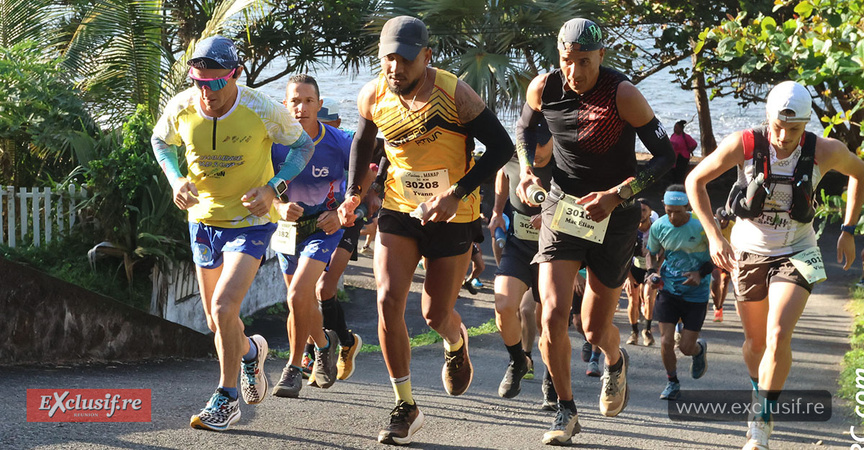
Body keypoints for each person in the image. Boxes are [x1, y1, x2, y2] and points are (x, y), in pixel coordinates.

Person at [336, 16, 515, 446]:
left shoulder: (455, 94)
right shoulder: (374, 93)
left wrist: (456, 194)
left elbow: (503, 148)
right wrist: (352, 195)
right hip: (400, 208)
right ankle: (405, 405)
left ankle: (456, 342)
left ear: (426, 57)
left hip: (454, 213)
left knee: (435, 313)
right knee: (387, 300)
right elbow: (364, 143)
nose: (395, 67)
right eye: (388, 59)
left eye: (405, 59)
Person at [515, 18, 675, 445]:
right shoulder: (544, 87)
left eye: (584, 61)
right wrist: (529, 173)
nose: (575, 71)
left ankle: (614, 358)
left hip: (614, 216)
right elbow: (523, 130)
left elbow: (665, 158)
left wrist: (618, 195)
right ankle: (565, 411)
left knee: (593, 328)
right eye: (568, 61)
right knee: (550, 312)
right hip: (563, 206)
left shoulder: (623, 94)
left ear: (602, 57)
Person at [685, 80, 864, 450]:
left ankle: (761, 423)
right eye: (778, 126)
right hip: (747, 252)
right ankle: (759, 391)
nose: (783, 136)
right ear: (767, 118)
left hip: (800, 250)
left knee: (779, 333)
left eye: (794, 129)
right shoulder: (745, 144)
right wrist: (714, 237)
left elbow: (859, 173)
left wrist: (847, 229)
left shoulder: (824, 150)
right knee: (755, 342)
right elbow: (694, 180)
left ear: (806, 124)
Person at [150, 36, 315, 431]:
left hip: (250, 224)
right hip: (203, 223)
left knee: (225, 307)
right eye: (197, 82)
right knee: (215, 322)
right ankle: (251, 352)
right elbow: (160, 140)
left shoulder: (261, 108)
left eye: (214, 83)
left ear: (234, 75)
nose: (205, 92)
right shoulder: (182, 106)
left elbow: (303, 146)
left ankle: (225, 399)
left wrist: (272, 188)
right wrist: (176, 179)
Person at [269, 74, 366, 397]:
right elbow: (260, 188)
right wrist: (279, 208)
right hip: (286, 230)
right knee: (296, 303)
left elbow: (373, 165)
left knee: (299, 294)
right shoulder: (271, 144)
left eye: (308, 101)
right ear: (285, 105)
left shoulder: (340, 141)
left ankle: (293, 369)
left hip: (323, 229)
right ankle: (324, 345)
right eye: (294, 101)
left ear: (319, 105)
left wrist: (343, 211)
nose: (301, 108)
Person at [488, 118, 553, 399]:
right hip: (519, 244)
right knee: (504, 304)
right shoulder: (514, 157)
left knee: (550, 321)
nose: (535, 151)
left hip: (555, 250)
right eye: (529, 145)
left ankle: (553, 380)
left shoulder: (566, 161)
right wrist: (496, 210)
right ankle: (518, 361)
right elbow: (503, 175)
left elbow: (582, 202)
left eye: (542, 144)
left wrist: (550, 217)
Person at [645, 185, 711, 401]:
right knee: (665, 341)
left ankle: (698, 351)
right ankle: (672, 382)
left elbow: (719, 254)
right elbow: (651, 253)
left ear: (688, 207)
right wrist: (650, 273)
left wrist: (700, 273)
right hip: (669, 290)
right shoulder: (659, 226)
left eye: (678, 211)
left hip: (696, 294)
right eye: (669, 211)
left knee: (686, 347)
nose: (672, 216)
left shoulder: (702, 225)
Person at [625, 198, 658, 346]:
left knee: (648, 297)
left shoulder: (656, 229)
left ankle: (647, 330)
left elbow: (663, 251)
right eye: (638, 210)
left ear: (650, 212)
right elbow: (622, 255)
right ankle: (634, 332)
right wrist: (627, 277)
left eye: (644, 210)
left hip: (652, 268)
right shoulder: (630, 229)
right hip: (634, 267)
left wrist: (657, 271)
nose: (641, 213)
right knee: (633, 298)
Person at [711, 207, 735, 321]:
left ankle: (720, 306)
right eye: (720, 219)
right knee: (716, 280)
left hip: (728, 257)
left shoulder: (733, 226)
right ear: (716, 216)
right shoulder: (713, 225)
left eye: (725, 220)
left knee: (725, 281)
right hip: (715, 256)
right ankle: (716, 305)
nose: (723, 222)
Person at [670, 120, 698, 184]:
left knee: (680, 174)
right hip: (674, 158)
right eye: (674, 127)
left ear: (681, 129)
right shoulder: (673, 135)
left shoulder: (685, 137)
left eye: (677, 127)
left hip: (682, 157)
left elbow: (694, 144)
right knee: (674, 173)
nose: (675, 129)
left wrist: (689, 151)